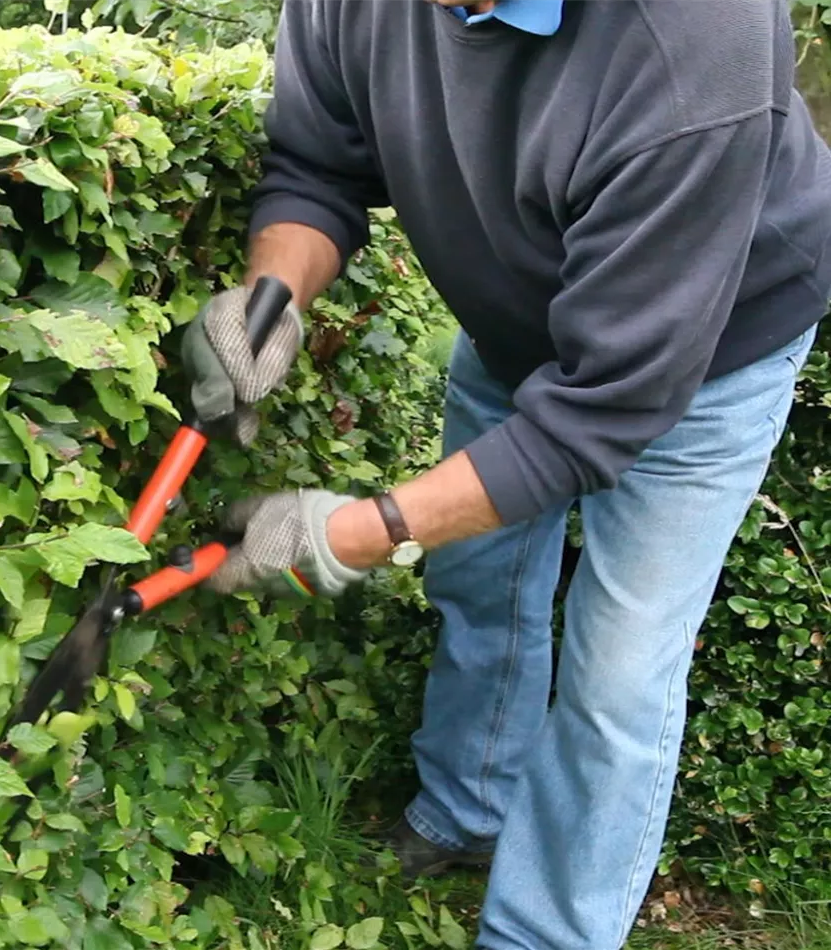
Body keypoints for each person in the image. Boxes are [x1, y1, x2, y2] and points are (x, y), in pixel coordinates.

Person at [182, 1, 831, 948]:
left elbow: (600, 410)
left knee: (618, 665)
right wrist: (270, 302)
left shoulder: (698, 36)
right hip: (519, 306)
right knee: (476, 569)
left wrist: (351, 532)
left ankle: (544, 933)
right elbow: (319, 164)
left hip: (704, 347)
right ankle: (467, 806)